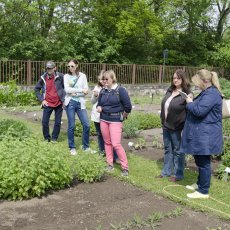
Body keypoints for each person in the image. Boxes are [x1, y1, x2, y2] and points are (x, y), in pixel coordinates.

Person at [180, 69, 223, 199]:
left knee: (204, 163)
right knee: (199, 160)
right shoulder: (207, 92)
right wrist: (192, 99)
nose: (197, 85)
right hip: (202, 133)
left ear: (205, 81)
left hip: (207, 135)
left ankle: (203, 191)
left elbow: (199, 111)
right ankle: (200, 183)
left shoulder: (212, 94)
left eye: (198, 83)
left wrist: (189, 103)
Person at [157, 69, 192, 182]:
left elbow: (190, 111)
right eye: (174, 78)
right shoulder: (170, 90)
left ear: (183, 79)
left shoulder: (187, 94)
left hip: (176, 127)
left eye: (178, 78)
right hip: (166, 125)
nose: (175, 80)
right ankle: (166, 172)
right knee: (168, 149)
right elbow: (165, 105)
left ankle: (178, 174)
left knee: (178, 151)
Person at [97, 70, 132, 176]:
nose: (104, 81)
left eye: (106, 79)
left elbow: (128, 106)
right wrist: (99, 107)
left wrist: (124, 115)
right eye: (103, 79)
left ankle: (125, 168)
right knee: (107, 143)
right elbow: (99, 103)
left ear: (113, 79)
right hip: (104, 119)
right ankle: (109, 164)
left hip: (115, 120)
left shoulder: (120, 90)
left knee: (116, 144)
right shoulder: (103, 90)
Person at [64, 59, 91, 155]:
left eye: (72, 66)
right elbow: (67, 89)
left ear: (77, 65)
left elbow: (86, 89)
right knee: (71, 125)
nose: (70, 68)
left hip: (80, 103)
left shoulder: (82, 76)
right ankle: (72, 147)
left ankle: (86, 146)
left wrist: (77, 91)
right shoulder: (66, 76)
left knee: (86, 125)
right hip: (70, 102)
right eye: (68, 66)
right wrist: (80, 90)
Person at [90, 70, 119, 162]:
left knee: (111, 137)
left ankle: (114, 156)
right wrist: (95, 96)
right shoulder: (97, 88)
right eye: (101, 79)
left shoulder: (112, 88)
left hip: (108, 117)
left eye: (104, 79)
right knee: (100, 135)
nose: (103, 81)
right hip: (97, 117)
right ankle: (102, 152)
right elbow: (93, 102)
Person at [34, 61, 65, 142]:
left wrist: (64, 100)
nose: (49, 70)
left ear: (55, 68)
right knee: (44, 122)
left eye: (51, 68)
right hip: (47, 103)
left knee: (57, 122)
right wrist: (42, 100)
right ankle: (47, 138)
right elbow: (36, 89)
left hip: (59, 103)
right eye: (48, 68)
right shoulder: (43, 78)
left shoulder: (61, 76)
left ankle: (54, 138)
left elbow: (66, 87)